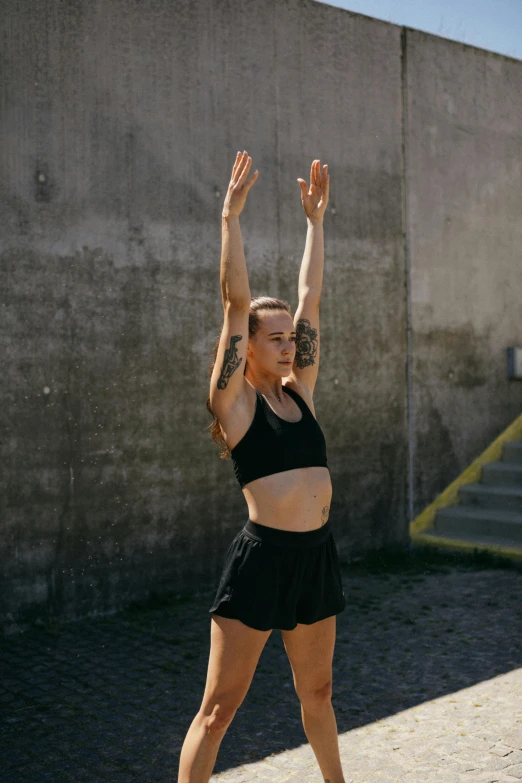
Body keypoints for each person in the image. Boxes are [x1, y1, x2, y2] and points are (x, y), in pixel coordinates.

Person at [177, 151, 347, 783]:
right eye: (273, 338)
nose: (289, 344)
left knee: (321, 694)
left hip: (315, 556)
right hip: (263, 560)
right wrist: (231, 219)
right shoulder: (235, 403)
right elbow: (234, 301)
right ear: (244, 347)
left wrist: (316, 224)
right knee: (220, 709)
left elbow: (310, 300)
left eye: (288, 339)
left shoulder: (297, 390)